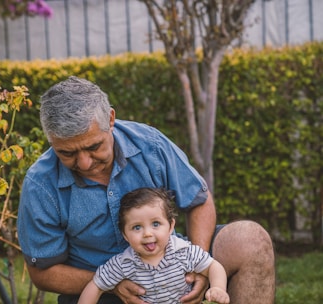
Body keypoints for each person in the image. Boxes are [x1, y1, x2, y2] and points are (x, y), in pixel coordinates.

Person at [17, 76, 275, 304]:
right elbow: (43, 272)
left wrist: (198, 267)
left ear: (110, 119)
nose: (84, 163)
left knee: (250, 240)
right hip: (100, 290)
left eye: (94, 146)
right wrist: (113, 283)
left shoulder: (150, 144)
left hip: (174, 266)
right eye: (67, 153)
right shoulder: (40, 184)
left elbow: (198, 200)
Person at [78, 187, 230, 304]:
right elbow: (96, 285)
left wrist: (218, 287)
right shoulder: (124, 263)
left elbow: (213, 266)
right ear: (125, 234)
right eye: (137, 227)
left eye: (155, 224)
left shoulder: (183, 251)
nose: (147, 234)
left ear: (171, 226)